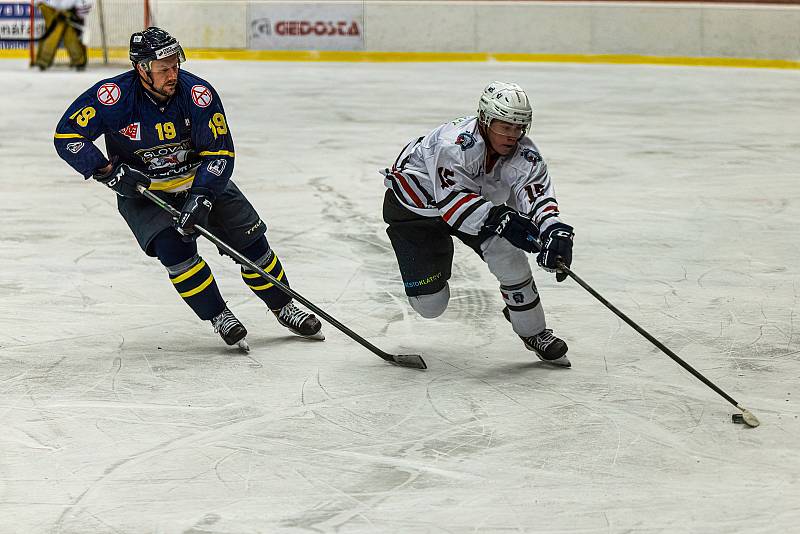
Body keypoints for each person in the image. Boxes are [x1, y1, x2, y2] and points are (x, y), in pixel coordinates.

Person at [53, 27, 323, 349]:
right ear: (142, 69)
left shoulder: (197, 94)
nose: (172, 74)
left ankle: (283, 306)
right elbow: (67, 136)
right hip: (146, 193)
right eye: (163, 68)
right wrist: (107, 171)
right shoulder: (112, 97)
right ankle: (219, 315)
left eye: (175, 64)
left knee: (253, 245)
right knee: (175, 253)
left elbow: (220, 152)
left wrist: (203, 196)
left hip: (202, 180)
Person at [381, 81, 574, 366]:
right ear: (485, 119)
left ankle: (533, 330)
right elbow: (451, 203)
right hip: (416, 211)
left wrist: (553, 229)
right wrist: (503, 219)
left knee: (509, 255)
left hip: (475, 202)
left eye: (519, 127)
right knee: (431, 305)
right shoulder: (454, 145)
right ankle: (421, 283)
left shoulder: (525, 154)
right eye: (505, 127)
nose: (513, 136)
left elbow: (536, 196)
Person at [33, 0, 92, 71]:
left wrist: (75, 16)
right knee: (55, 32)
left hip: (66, 8)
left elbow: (83, 7)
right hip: (49, 5)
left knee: (69, 34)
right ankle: (43, 61)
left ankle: (78, 61)